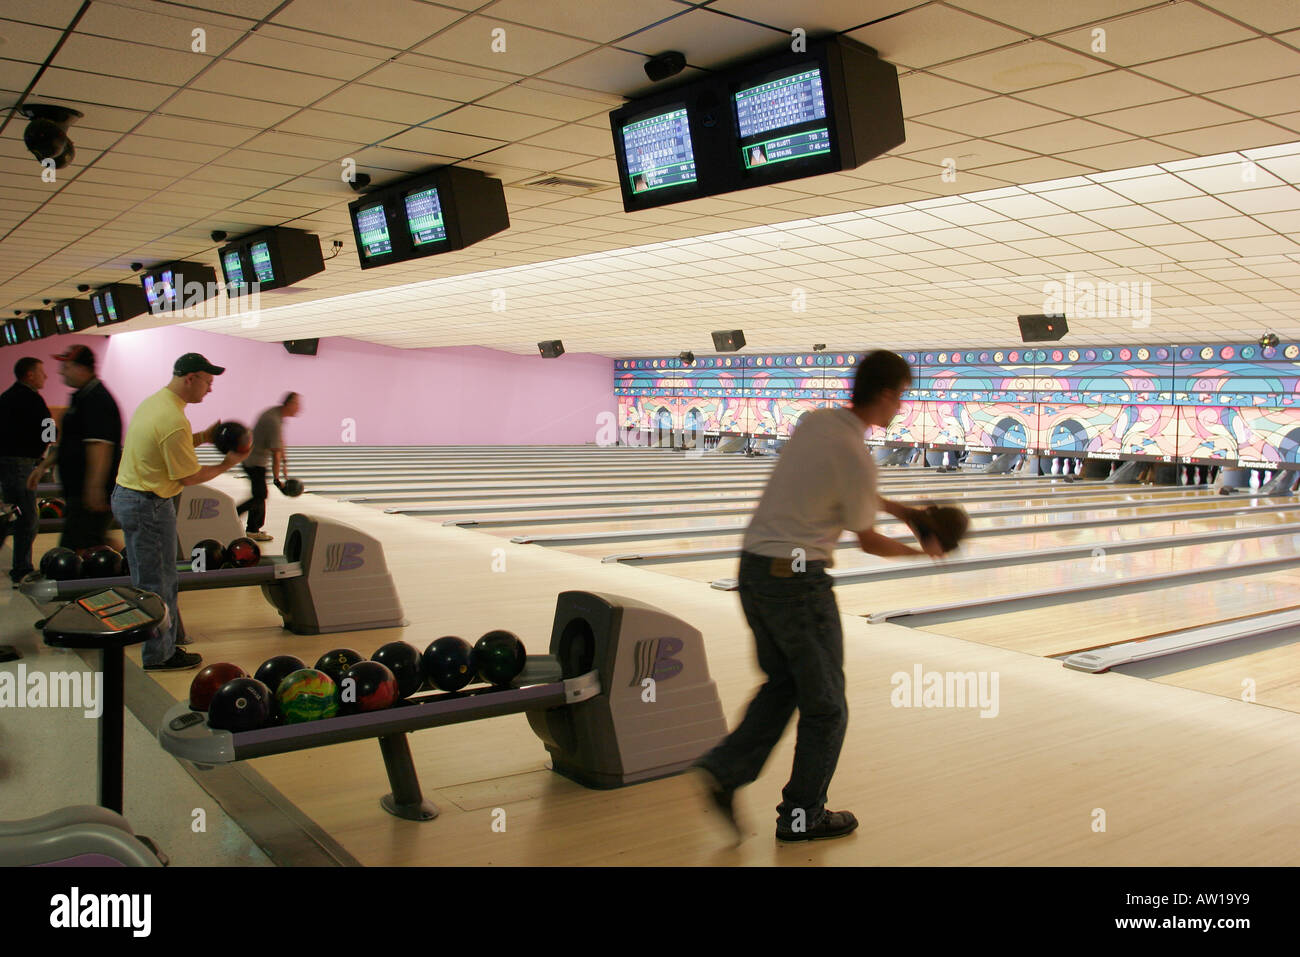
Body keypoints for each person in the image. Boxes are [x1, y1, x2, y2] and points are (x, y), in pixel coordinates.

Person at [694, 350, 943, 843]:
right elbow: (866, 538)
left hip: (754, 572)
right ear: (888, 393)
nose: (901, 408)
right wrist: (923, 553)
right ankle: (802, 816)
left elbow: (840, 489)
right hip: (798, 584)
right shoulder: (857, 455)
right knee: (827, 705)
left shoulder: (817, 423)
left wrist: (904, 510)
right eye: (902, 397)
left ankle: (725, 771)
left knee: (784, 683)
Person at [113, 353, 248, 671]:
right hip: (149, 505)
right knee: (158, 582)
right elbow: (188, 477)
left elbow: (169, 444)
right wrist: (228, 463)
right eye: (208, 381)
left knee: (147, 578)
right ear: (191, 378)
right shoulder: (174, 419)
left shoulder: (156, 403)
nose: (210, 389)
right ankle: (159, 655)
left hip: (129, 497)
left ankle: (154, 639)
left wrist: (204, 436)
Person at [27, 345, 122, 551]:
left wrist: (94, 488)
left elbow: (100, 446)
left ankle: (126, 570)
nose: (61, 371)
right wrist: (44, 466)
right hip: (78, 492)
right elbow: (69, 441)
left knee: (79, 548)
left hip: (89, 493)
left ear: (82, 369)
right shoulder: (81, 396)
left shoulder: (97, 399)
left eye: (66, 366)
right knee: (90, 542)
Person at [0, 357, 52, 583]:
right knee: (27, 518)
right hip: (22, 465)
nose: (46, 376)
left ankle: (20, 565)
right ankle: (21, 568)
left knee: (11, 515)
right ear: (29, 375)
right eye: (42, 372)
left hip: (7, 464)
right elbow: (48, 428)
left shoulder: (6, 397)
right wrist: (48, 451)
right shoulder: (32, 399)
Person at [237, 392, 301, 542]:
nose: (299, 408)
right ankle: (239, 518)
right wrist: (277, 479)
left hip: (253, 459)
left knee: (259, 495)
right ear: (289, 404)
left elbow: (280, 442)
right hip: (254, 461)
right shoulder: (273, 421)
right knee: (260, 495)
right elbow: (275, 454)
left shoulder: (277, 415)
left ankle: (253, 528)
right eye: (297, 404)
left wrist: (285, 464)